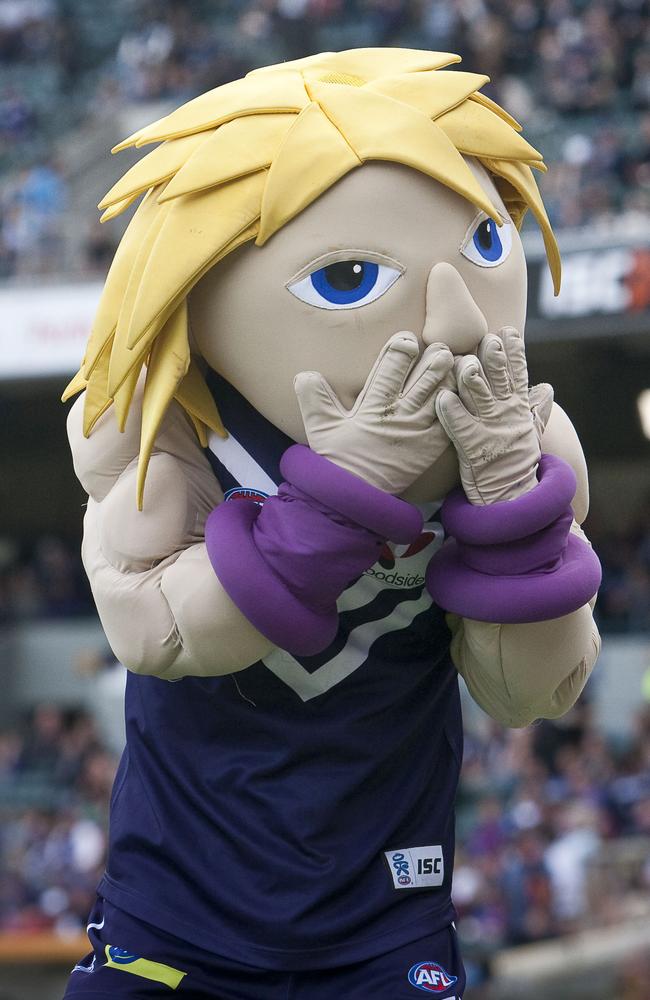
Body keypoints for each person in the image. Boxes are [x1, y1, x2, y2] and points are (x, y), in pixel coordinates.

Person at [62, 48, 601, 1000]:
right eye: (347, 276)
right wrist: (331, 505)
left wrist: (514, 510)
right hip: (181, 917)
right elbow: (153, 633)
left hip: (384, 920)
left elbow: (534, 693)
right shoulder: (169, 422)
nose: (455, 321)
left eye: (483, 243)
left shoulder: (519, 434)